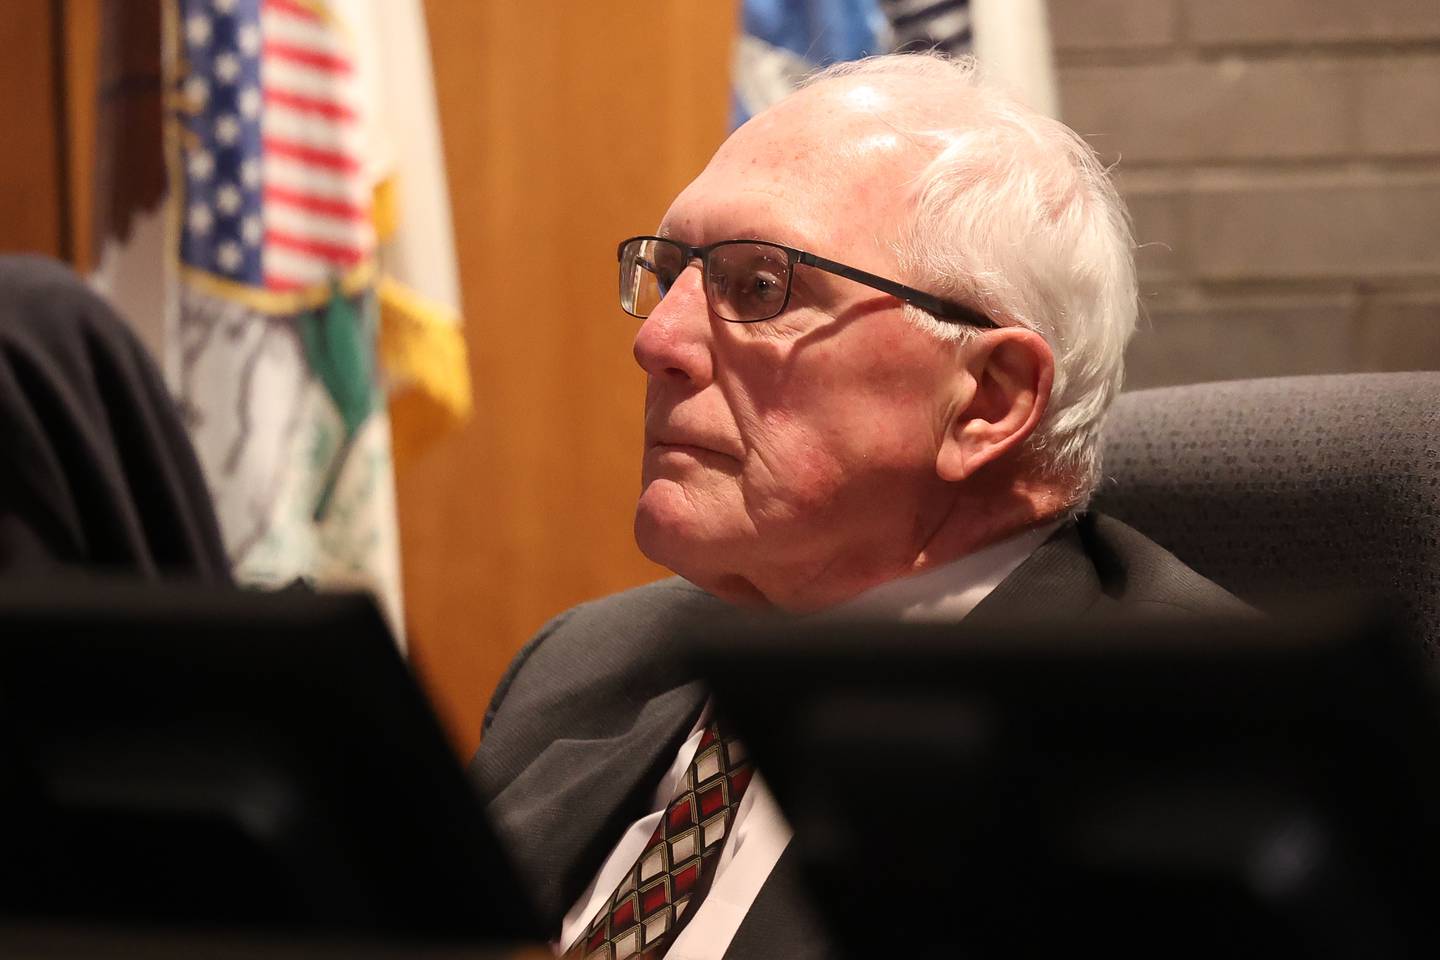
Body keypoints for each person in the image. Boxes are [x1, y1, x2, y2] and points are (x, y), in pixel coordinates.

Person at [470, 53, 1248, 959]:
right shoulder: (578, 667)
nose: (660, 340)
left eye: (759, 287)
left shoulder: (1183, 767)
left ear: (988, 399)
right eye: (672, 272)